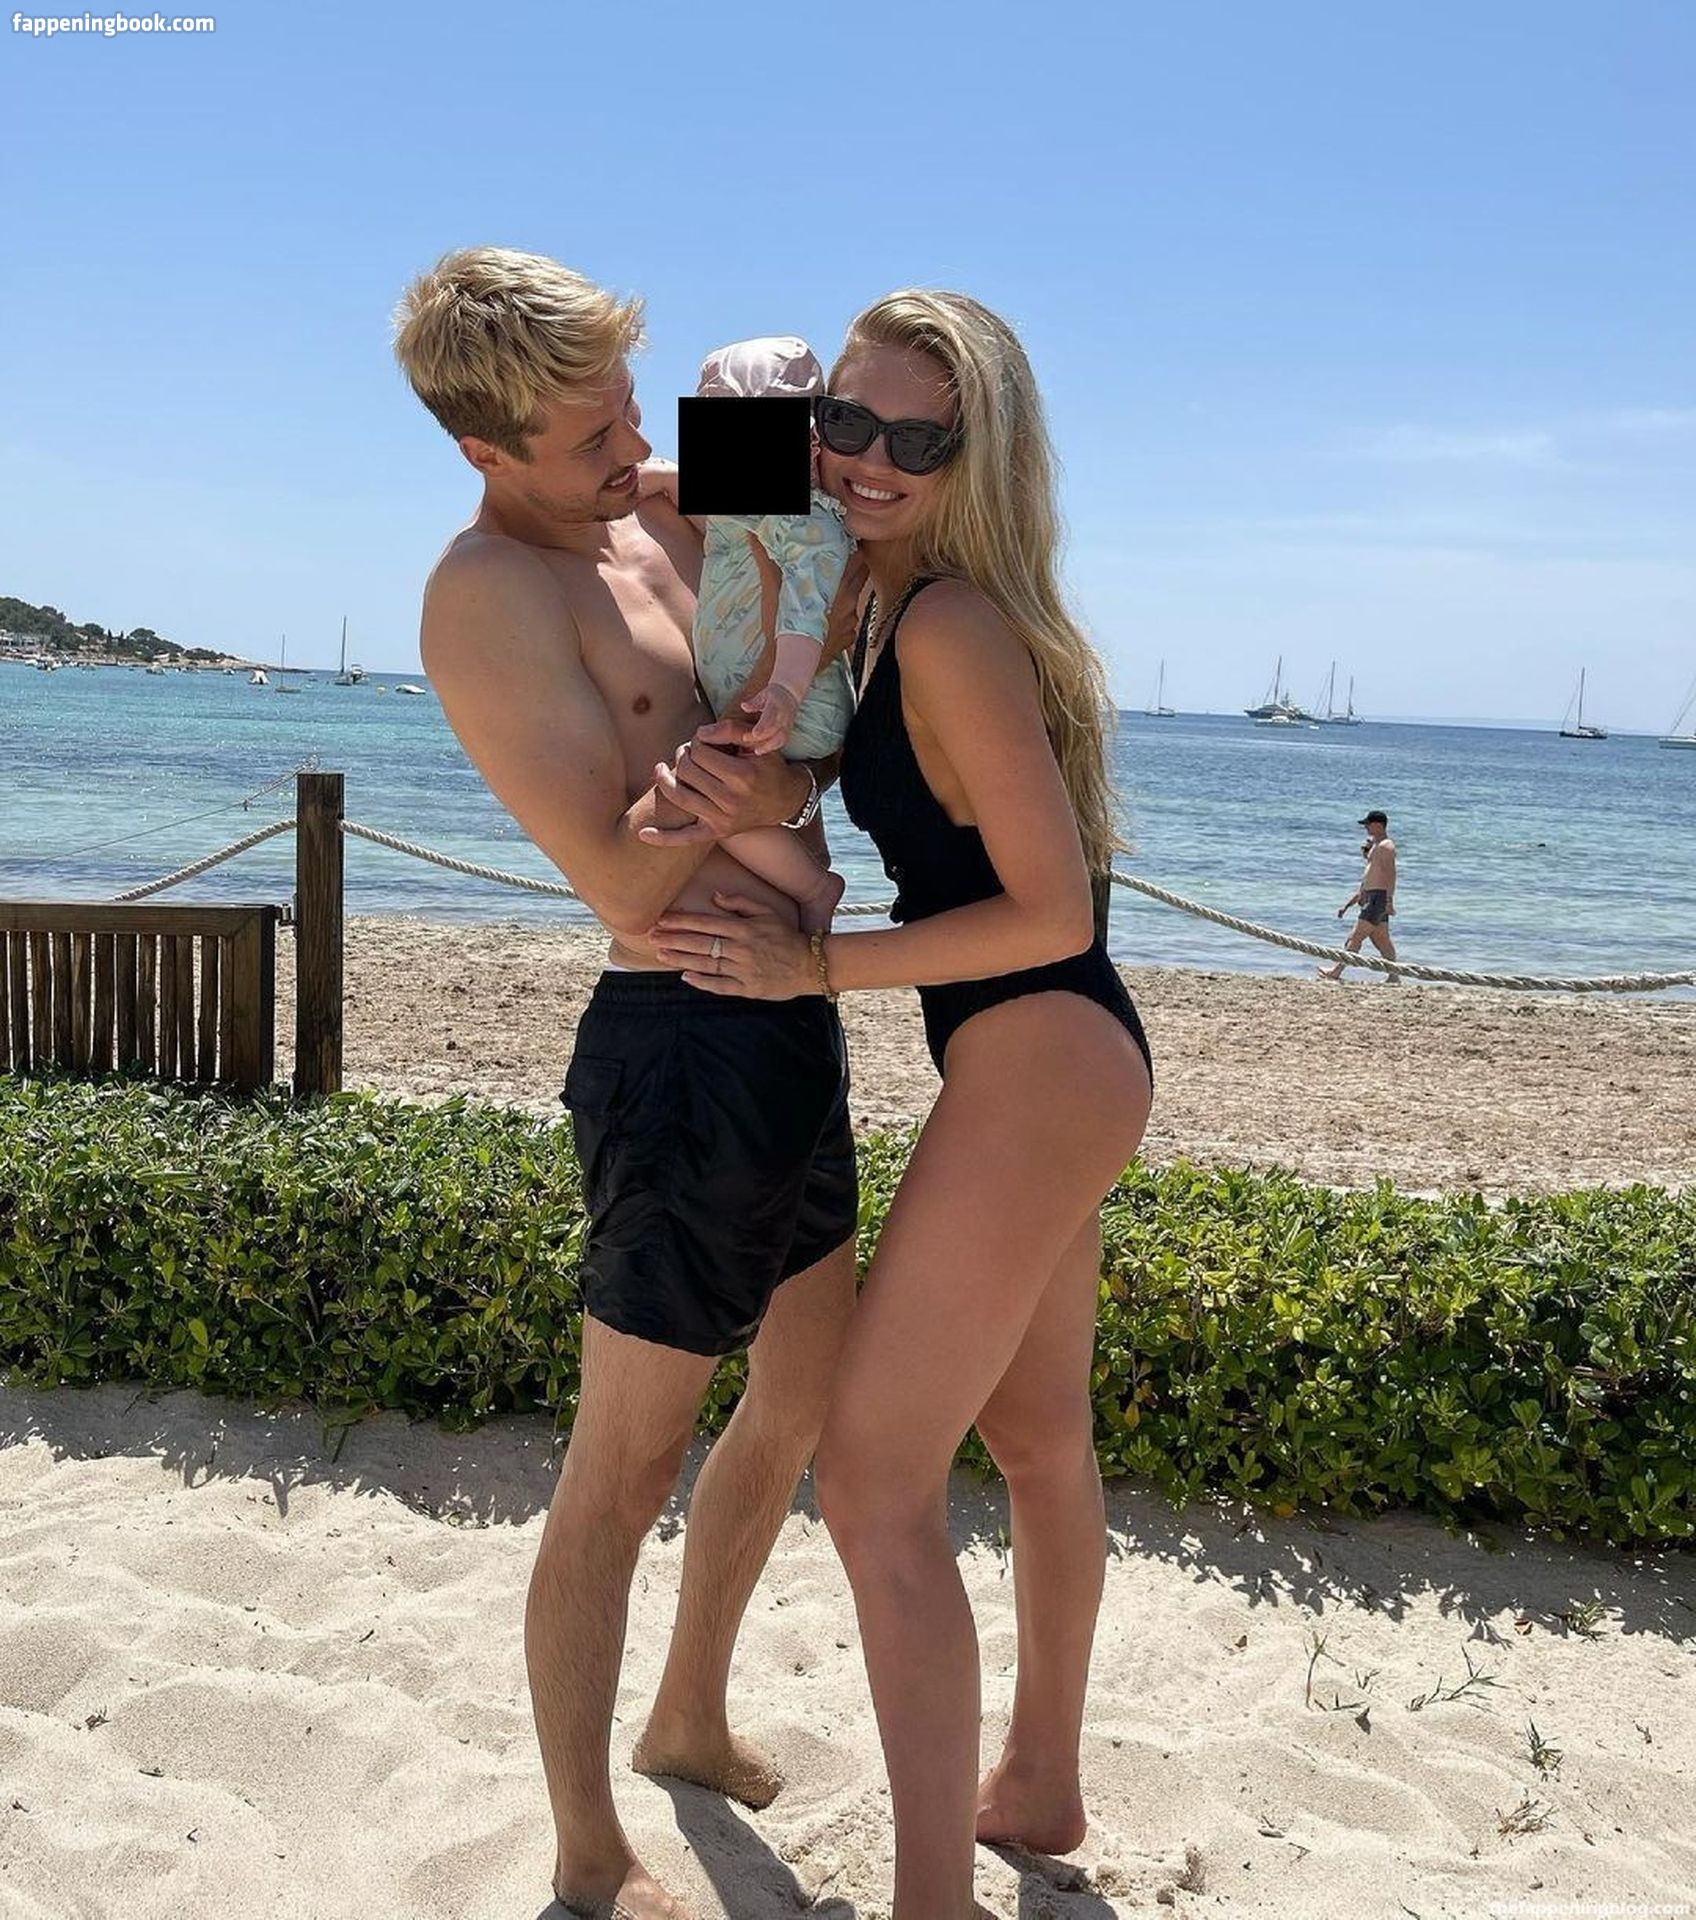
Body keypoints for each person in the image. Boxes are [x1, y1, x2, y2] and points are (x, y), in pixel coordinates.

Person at [645, 289, 1155, 1920]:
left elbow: (1049, 909)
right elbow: (695, 499)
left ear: (976, 454)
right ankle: (1041, 1779)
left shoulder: (944, 622)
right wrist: (780, 777)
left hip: (1037, 1047)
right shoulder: (881, 585)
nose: (866, 458)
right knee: (1040, 1441)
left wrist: (816, 969)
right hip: (1064, 1060)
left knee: (871, 1486)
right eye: (842, 422)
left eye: (912, 438)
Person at [392, 245, 867, 1920]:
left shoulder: (658, 501)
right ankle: (589, 1853)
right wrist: (741, 780)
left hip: (792, 1016)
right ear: (484, 451)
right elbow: (613, 873)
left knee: (800, 1399)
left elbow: (840, 535)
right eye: (591, 434)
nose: (632, 450)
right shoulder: (485, 596)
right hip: (676, 1044)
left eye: (629, 410)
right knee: (618, 1476)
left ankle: (690, 1712)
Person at [637, 334, 856, 932]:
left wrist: (784, 689)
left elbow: (809, 614)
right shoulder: (757, 504)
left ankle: (814, 887)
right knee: (725, 797)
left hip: (797, 704)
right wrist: (663, 481)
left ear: (807, 445)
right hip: (775, 696)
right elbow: (718, 519)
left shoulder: (808, 523)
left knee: (719, 805)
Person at [1318, 808, 1399, 981]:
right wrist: (1348, 904)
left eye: (1368, 824)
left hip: (1378, 898)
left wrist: (1389, 901)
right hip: (1372, 897)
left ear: (1378, 825)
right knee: (1381, 940)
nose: (1366, 827)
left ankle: (1336, 971)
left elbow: (1391, 875)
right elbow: (1370, 876)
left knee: (1354, 937)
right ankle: (1394, 976)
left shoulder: (1386, 846)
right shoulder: (1376, 845)